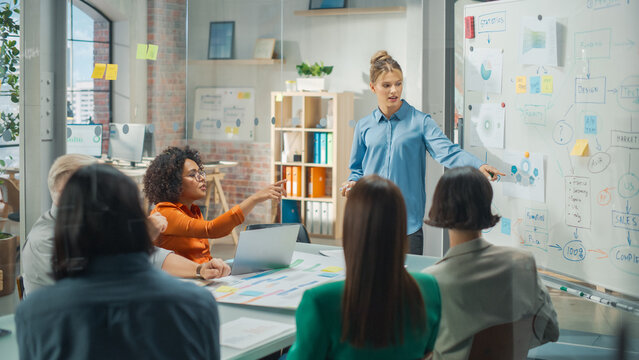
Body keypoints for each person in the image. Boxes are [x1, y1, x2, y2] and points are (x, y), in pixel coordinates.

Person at [15, 164, 221, 360]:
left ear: (67, 227)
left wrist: (199, 268)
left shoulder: (36, 313)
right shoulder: (196, 304)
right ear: (136, 218)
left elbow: (156, 256)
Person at [341, 50, 505, 255]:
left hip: (407, 226)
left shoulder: (420, 122)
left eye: (398, 83)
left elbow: (449, 152)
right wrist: (352, 183)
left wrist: (478, 166)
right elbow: (356, 170)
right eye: (386, 85)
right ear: (373, 87)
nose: (394, 90)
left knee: (410, 284)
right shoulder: (364, 126)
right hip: (370, 221)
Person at [22, 154, 230, 295]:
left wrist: (199, 269)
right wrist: (140, 238)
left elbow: (153, 257)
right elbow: (101, 285)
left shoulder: (94, 221)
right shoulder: (45, 241)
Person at [286, 175, 441, 359]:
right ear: (400, 227)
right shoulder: (429, 288)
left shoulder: (320, 302)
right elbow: (428, 350)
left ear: (351, 228)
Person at [422, 166, 559, 360]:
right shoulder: (523, 262)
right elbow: (550, 329)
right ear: (486, 203)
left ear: (439, 206)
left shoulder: (430, 280)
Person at [143, 146, 285, 263]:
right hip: (185, 283)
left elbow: (203, 256)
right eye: (192, 175)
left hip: (203, 277)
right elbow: (212, 230)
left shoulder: (194, 211)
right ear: (174, 183)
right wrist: (255, 198)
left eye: (200, 173)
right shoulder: (165, 213)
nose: (201, 178)